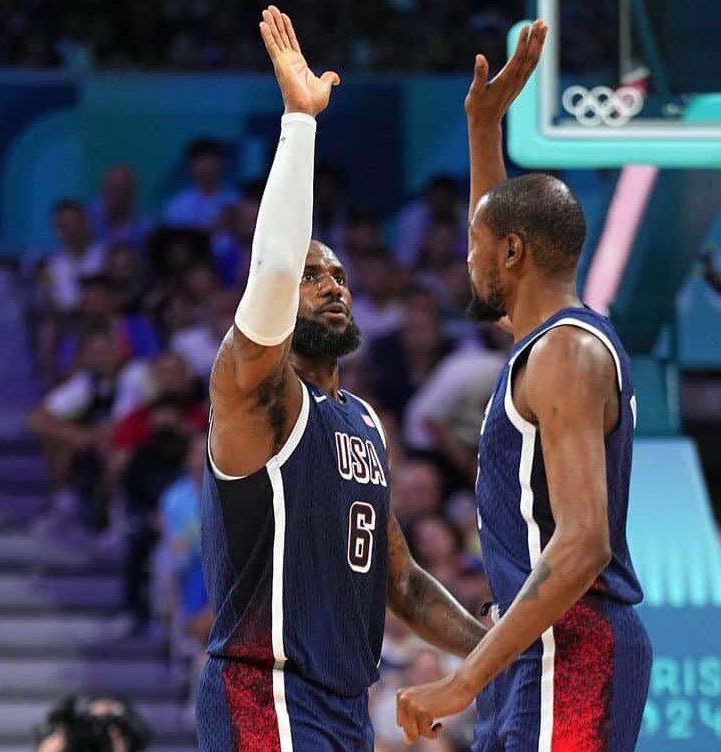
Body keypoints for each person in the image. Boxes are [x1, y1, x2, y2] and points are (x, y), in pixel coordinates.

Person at [197, 8, 486, 750]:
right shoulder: (253, 390)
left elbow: (404, 581)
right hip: (267, 689)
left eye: (340, 275)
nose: (332, 285)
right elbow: (271, 271)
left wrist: (490, 652)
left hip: (343, 705)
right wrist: (299, 124)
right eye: (313, 274)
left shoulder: (360, 419)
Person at [396, 20, 653, 751]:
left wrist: (464, 677)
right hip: (535, 648)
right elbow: (495, 221)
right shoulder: (551, 341)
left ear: (512, 252)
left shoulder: (566, 355)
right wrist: (484, 127)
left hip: (572, 649)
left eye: (475, 248)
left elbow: (582, 544)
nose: (464, 261)